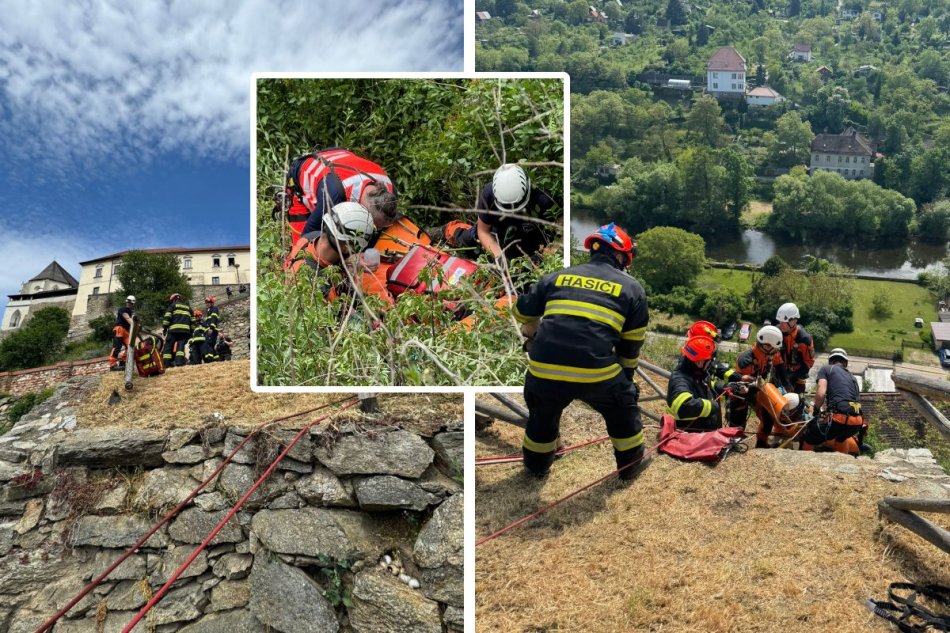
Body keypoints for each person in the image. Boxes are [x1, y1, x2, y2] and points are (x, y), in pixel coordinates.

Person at [513, 222, 650, 480]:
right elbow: (629, 348)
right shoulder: (633, 290)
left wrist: (535, 328)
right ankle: (631, 466)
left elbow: (521, 312)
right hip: (595, 373)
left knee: (541, 417)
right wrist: (626, 383)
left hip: (543, 369)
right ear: (621, 256)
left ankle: (536, 467)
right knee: (622, 408)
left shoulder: (556, 277)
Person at [432, 164, 561, 260]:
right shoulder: (489, 194)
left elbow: (563, 235)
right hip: (498, 232)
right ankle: (448, 230)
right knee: (468, 240)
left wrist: (546, 256)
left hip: (532, 241)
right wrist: (499, 258)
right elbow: (483, 231)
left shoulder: (544, 200)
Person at [280, 147, 397, 243]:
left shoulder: (390, 192)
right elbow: (308, 234)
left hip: (342, 156)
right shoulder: (334, 194)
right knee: (317, 235)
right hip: (309, 165)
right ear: (364, 211)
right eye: (374, 226)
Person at [667, 334, 748, 431]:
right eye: (710, 360)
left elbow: (708, 386)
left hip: (702, 433)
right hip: (690, 439)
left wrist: (729, 387)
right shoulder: (680, 379)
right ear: (699, 362)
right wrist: (711, 406)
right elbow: (683, 406)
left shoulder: (697, 372)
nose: (712, 363)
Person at [728, 325, 790, 430]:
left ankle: (762, 442)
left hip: (757, 388)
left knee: (768, 417)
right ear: (766, 346)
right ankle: (734, 439)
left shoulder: (770, 353)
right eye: (774, 348)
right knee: (738, 418)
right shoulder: (745, 361)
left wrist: (787, 386)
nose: (776, 351)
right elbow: (744, 385)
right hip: (743, 392)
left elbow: (780, 368)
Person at [804, 348, 866, 452]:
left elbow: (821, 392)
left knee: (809, 437)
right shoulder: (853, 378)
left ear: (830, 361)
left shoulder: (827, 369)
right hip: (857, 423)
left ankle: (803, 465)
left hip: (839, 419)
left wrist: (816, 410)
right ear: (845, 363)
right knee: (841, 438)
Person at [775, 302, 815, 417]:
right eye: (780, 322)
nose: (780, 325)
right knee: (777, 404)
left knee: (796, 406)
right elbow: (776, 358)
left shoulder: (804, 339)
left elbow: (808, 363)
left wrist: (792, 377)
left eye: (784, 322)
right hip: (780, 373)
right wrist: (784, 379)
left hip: (797, 377)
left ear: (793, 321)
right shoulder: (778, 334)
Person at [162, 293, 194, 368]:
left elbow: (167, 317)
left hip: (173, 330)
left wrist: (165, 328)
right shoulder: (188, 308)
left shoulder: (172, 306)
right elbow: (193, 321)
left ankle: (166, 364)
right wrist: (191, 331)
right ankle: (179, 362)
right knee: (180, 347)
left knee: (168, 346)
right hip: (185, 332)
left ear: (173, 299)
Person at [109, 295, 136, 371]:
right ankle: (112, 365)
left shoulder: (131, 312)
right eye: (128, 302)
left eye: (130, 302)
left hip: (126, 332)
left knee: (130, 346)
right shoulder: (122, 309)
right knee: (117, 346)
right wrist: (134, 324)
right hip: (119, 329)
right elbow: (127, 317)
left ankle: (124, 362)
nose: (129, 304)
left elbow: (132, 320)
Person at [202, 295, 220, 363]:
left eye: (208, 303)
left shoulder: (214, 309)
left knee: (209, 344)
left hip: (212, 330)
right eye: (206, 303)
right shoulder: (209, 311)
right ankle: (216, 359)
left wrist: (211, 328)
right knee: (210, 345)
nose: (207, 304)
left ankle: (210, 359)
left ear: (212, 303)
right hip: (210, 331)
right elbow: (208, 322)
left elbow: (214, 319)